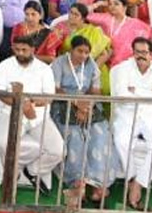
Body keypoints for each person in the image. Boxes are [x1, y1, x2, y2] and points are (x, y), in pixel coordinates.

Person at [0, 33, 64, 190]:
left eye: (24, 50)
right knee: (3, 144)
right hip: (11, 114)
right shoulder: (4, 66)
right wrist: (20, 105)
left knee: (58, 150)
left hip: (37, 117)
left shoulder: (44, 69)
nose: (20, 53)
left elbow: (49, 97)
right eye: (17, 49)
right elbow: (0, 93)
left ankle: (32, 171)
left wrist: (30, 104)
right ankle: (13, 172)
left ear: (33, 49)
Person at [50, 34, 115, 202]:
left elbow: (96, 91)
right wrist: (75, 103)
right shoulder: (59, 63)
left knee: (100, 134)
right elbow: (56, 89)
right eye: (80, 51)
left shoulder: (91, 64)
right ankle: (77, 182)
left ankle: (97, 182)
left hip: (88, 105)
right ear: (71, 50)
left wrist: (86, 106)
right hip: (63, 104)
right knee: (75, 135)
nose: (83, 56)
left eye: (87, 52)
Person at [109, 36, 152, 207]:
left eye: (144, 52)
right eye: (137, 52)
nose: (141, 56)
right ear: (133, 52)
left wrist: (135, 90)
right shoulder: (122, 69)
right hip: (128, 113)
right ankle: (132, 176)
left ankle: (138, 183)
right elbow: (121, 94)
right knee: (121, 140)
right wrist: (151, 92)